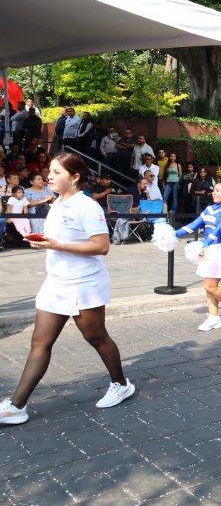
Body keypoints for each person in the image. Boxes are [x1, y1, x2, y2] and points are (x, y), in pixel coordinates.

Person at [0, 153, 135, 426]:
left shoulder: (87, 207)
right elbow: (59, 238)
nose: (49, 176)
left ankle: (121, 384)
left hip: (84, 283)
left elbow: (101, 246)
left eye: (56, 172)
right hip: (56, 282)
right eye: (50, 171)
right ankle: (17, 406)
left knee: (96, 338)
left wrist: (55, 245)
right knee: (40, 342)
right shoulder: (57, 204)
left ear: (75, 177)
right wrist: (43, 241)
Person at [175, 181, 221, 331]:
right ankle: (214, 318)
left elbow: (218, 230)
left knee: (210, 285)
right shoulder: (209, 209)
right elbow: (194, 225)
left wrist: (205, 245)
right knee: (209, 287)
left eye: (218, 190)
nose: (214, 192)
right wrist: (174, 234)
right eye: (214, 190)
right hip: (209, 248)